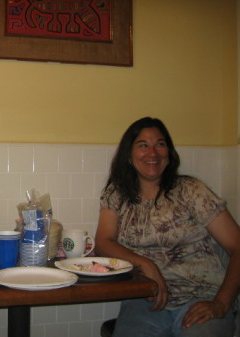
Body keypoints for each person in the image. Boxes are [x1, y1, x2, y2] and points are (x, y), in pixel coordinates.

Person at [95, 117, 240, 337]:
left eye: (160, 144)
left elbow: (237, 246)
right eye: (143, 145)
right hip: (144, 300)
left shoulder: (192, 191)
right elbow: (103, 243)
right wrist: (146, 264)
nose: (153, 153)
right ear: (129, 154)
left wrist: (221, 303)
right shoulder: (117, 193)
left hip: (201, 300)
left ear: (169, 153)